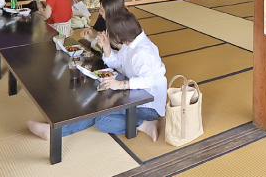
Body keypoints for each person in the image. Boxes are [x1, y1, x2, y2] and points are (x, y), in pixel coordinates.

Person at [27, 11, 166, 141]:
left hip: (148, 105)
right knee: (96, 101)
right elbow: (117, 61)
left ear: (120, 36)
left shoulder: (142, 52)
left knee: (102, 120)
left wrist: (120, 84)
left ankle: (142, 123)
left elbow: (148, 80)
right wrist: (106, 46)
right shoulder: (131, 42)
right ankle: (56, 129)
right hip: (133, 93)